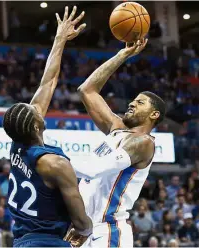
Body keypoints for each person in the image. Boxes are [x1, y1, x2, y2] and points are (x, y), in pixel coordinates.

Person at [3, 6, 92, 247]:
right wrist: (86, 229)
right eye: (33, 110)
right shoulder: (54, 163)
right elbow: (81, 222)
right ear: (35, 126)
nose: (36, 106)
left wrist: (59, 38)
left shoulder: (18, 143)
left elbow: (48, 82)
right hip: (47, 242)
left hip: (22, 241)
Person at [67, 38, 166, 248]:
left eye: (140, 103)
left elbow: (92, 170)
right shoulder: (116, 129)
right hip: (83, 229)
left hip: (109, 231)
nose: (132, 103)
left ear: (154, 114)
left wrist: (48, 157)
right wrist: (122, 55)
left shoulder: (143, 143)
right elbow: (87, 90)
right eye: (133, 100)